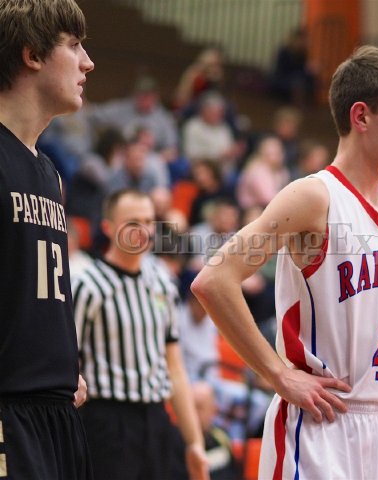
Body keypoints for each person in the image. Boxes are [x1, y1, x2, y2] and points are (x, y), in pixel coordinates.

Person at [191, 45, 378, 479]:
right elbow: (214, 281)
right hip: (318, 425)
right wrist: (277, 374)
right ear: (361, 116)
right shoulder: (313, 197)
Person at [0, 1, 94, 478]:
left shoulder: (49, 171)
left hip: (57, 414)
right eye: (74, 46)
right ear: (33, 54)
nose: (87, 63)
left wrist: (59, 368)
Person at [71, 188, 209, 480]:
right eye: (132, 222)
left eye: (148, 221)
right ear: (108, 227)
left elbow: (175, 368)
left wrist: (194, 442)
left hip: (156, 419)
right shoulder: (87, 285)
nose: (143, 230)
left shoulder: (162, 282)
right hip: (107, 423)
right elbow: (70, 363)